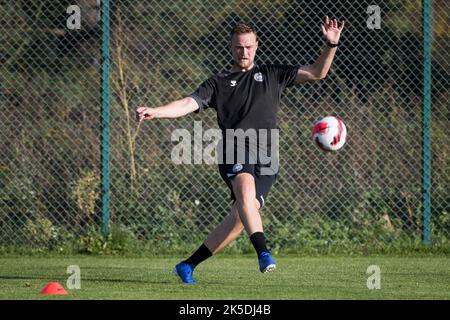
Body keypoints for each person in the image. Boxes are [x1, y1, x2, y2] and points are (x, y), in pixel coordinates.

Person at [136, 16, 344, 284]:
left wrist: (330, 44)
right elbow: (188, 103)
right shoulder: (219, 82)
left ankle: (187, 265)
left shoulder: (273, 74)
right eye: (237, 47)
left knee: (241, 218)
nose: (243, 52)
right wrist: (158, 111)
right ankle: (264, 253)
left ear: (257, 46)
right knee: (245, 191)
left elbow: (318, 72)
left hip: (268, 158)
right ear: (230, 48)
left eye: (248, 47)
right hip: (235, 146)